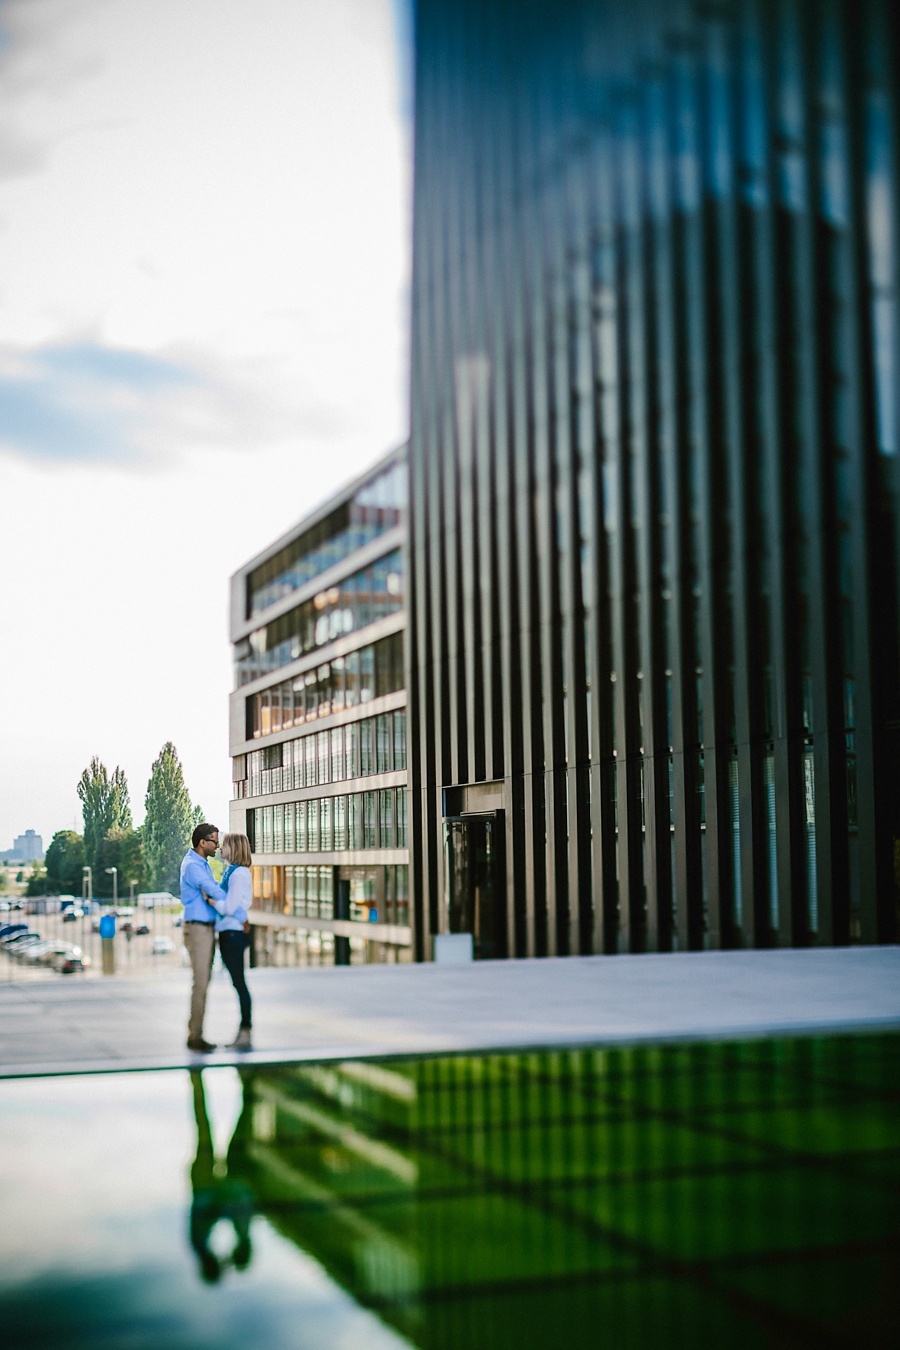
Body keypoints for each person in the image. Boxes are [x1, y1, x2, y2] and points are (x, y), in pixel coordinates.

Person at [180, 822, 228, 1053]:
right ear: (202, 843)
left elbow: (213, 889)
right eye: (214, 841)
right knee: (200, 984)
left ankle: (196, 1033)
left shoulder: (201, 863)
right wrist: (234, 903)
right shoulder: (193, 866)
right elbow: (214, 890)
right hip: (198, 929)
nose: (217, 846)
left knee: (203, 984)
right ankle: (195, 1036)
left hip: (205, 927)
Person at [213, 832, 254, 1050]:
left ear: (234, 848)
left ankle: (245, 1032)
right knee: (238, 983)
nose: (220, 848)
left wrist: (211, 901)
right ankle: (243, 1032)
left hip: (233, 933)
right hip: (229, 931)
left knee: (240, 984)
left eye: (224, 845)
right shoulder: (232, 872)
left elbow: (229, 907)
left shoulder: (238, 874)